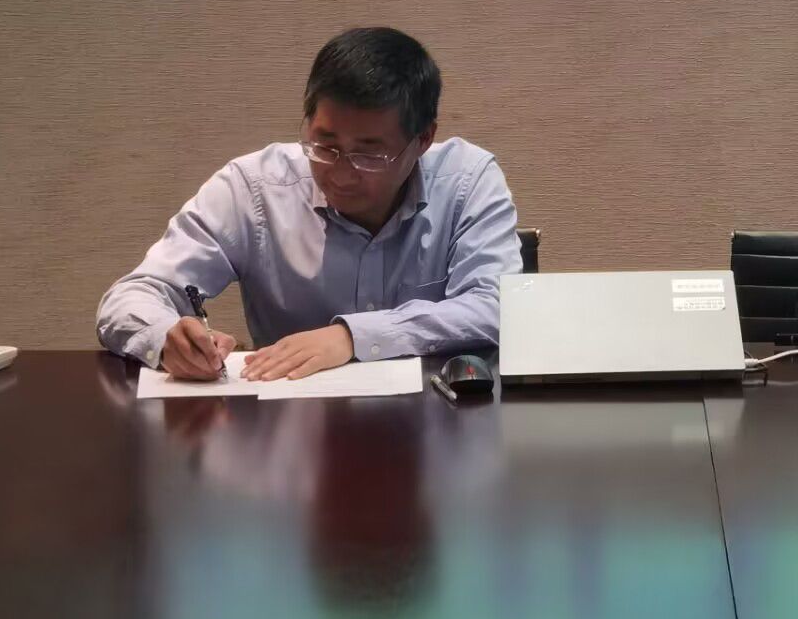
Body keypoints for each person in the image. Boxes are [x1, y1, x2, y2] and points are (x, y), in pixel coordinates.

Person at [97, 27, 521, 381]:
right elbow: (131, 296)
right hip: (290, 426)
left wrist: (353, 337)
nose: (341, 173)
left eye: (369, 154)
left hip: (435, 425)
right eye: (325, 145)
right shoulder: (254, 188)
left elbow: (496, 306)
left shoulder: (467, 181)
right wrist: (167, 337)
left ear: (423, 140)